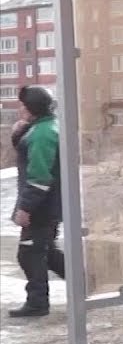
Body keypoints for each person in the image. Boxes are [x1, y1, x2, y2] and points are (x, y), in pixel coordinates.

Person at [9, 85, 65, 318]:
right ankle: (83, 282)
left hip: (41, 206)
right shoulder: (43, 127)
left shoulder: (42, 134)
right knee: (46, 251)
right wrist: (19, 133)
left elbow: (40, 177)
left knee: (30, 254)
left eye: (23, 105)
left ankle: (37, 303)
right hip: (49, 204)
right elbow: (27, 154)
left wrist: (26, 208)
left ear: (32, 108)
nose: (20, 109)